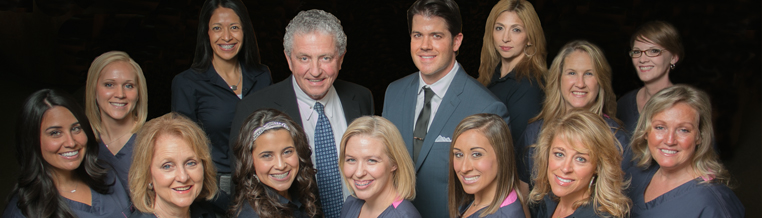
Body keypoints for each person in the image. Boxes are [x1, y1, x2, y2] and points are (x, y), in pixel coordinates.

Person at [230, 9, 374, 218]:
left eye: (325, 58)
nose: (315, 71)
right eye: (304, 58)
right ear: (289, 59)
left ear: (341, 59)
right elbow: (241, 191)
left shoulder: (361, 98)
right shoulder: (254, 108)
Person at [381, 0, 510, 217]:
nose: (425, 45)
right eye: (417, 35)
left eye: (436, 36)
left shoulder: (487, 109)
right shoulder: (394, 92)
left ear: (456, 41)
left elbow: (496, 196)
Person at [171, 0, 272, 201]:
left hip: (263, 183)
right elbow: (182, 147)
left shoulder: (262, 76)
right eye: (217, 28)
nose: (227, 36)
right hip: (214, 190)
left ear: (245, 31)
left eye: (234, 27)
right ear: (206, 33)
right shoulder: (186, 83)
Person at [3, 89, 132, 218]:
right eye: (55, 133)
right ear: (32, 141)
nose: (71, 142)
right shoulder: (23, 212)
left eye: (76, 129)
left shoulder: (107, 176)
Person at [517, 40, 629, 185]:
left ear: (600, 81)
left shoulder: (617, 139)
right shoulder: (534, 132)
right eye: (572, 73)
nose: (580, 83)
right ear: (558, 79)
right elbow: (522, 192)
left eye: (589, 73)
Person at [625, 85, 744, 217]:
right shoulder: (634, 175)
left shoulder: (714, 204)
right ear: (646, 132)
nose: (670, 140)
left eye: (683, 130)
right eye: (660, 127)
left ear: (700, 136)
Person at [529, 110, 630, 218]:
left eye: (580, 159)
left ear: (598, 166)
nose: (565, 168)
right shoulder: (548, 200)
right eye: (559, 154)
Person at [477, 0, 546, 146]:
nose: (505, 38)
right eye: (499, 28)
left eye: (516, 30)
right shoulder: (492, 74)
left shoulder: (528, 85)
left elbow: (520, 148)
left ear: (529, 38)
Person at [229, 109, 320, 218]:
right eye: (267, 155)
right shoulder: (250, 214)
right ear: (250, 161)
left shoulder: (299, 194)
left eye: (287, 152)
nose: (281, 165)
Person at [128, 112, 218, 218]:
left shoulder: (209, 213)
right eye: (167, 166)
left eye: (191, 163)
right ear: (147, 175)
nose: (183, 177)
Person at [85, 51, 148, 190]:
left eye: (129, 86)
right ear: (93, 89)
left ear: (139, 93)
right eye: (109, 85)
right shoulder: (81, 142)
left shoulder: (154, 140)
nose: (120, 94)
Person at [339, 116, 421, 218]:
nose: (359, 173)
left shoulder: (404, 216)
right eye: (351, 160)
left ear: (394, 163)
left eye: (371, 160)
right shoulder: (350, 204)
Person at [448, 114, 525, 218]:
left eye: (476, 154)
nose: (464, 168)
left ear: (502, 156)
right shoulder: (474, 200)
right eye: (458, 154)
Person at [617, 21, 683, 134]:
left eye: (653, 51)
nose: (642, 59)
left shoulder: (688, 106)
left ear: (673, 58)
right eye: (637, 52)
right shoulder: (624, 104)